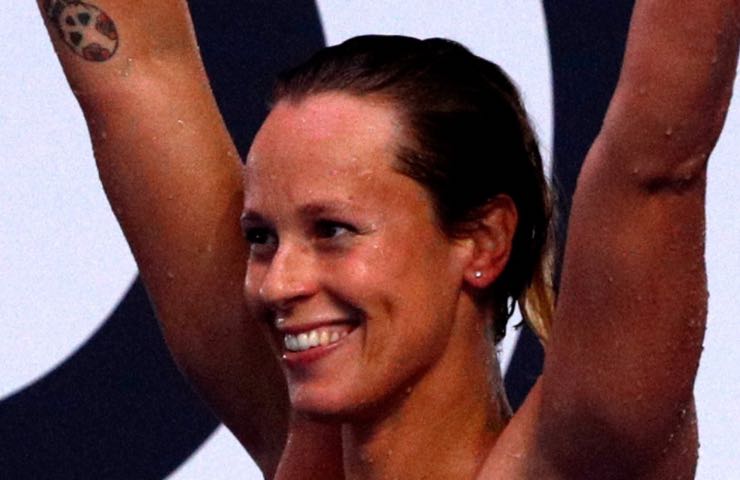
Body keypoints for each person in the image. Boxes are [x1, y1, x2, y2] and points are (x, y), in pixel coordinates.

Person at [37, 0, 739, 478]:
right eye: (260, 236)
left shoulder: (591, 460)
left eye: (333, 231)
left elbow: (658, 164)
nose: (278, 284)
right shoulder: (304, 438)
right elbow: (134, 69)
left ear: (484, 241)